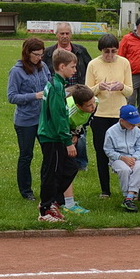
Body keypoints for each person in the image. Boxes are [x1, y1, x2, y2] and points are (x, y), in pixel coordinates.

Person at [85, 34, 134, 198]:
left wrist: (121, 86)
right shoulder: (93, 64)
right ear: (101, 50)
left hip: (119, 114)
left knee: (124, 150)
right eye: (107, 52)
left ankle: (128, 188)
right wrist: (99, 86)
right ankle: (105, 189)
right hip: (99, 114)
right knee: (101, 151)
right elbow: (87, 91)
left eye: (114, 51)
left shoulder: (124, 63)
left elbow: (130, 90)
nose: (110, 55)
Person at [37, 49, 80, 222]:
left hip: (53, 136)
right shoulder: (55, 86)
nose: (75, 70)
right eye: (73, 67)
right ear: (62, 67)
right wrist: (67, 141)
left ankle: (52, 201)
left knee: (69, 167)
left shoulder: (57, 84)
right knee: (52, 172)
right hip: (52, 137)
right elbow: (58, 116)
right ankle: (46, 209)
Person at [7, 38, 50, 201]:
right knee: (26, 155)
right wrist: (34, 96)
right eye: (36, 54)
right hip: (25, 121)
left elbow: (49, 83)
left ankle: (47, 186)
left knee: (49, 153)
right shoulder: (16, 71)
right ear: (27, 53)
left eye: (42, 54)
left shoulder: (43, 67)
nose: (40, 57)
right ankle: (26, 191)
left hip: (43, 119)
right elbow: (11, 97)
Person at [103, 105, 140, 213]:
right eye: (131, 123)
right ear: (122, 121)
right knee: (124, 170)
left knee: (139, 168)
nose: (134, 125)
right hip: (118, 159)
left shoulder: (137, 131)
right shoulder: (111, 132)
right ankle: (127, 196)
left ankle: (129, 197)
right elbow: (108, 150)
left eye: (135, 122)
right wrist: (122, 158)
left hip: (134, 158)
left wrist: (134, 158)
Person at [62, 84, 97, 214]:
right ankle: (67, 204)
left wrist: (76, 133)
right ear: (78, 106)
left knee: (69, 168)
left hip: (71, 132)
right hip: (58, 135)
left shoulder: (93, 102)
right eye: (89, 105)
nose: (93, 106)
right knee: (67, 167)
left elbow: (84, 121)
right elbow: (61, 125)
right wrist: (68, 141)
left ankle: (63, 201)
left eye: (93, 103)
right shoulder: (70, 110)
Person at [42, 22, 92, 86]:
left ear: (71, 34)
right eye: (62, 34)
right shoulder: (48, 53)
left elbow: (90, 69)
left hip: (78, 91)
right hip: (57, 90)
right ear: (56, 34)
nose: (65, 36)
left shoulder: (81, 51)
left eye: (67, 33)